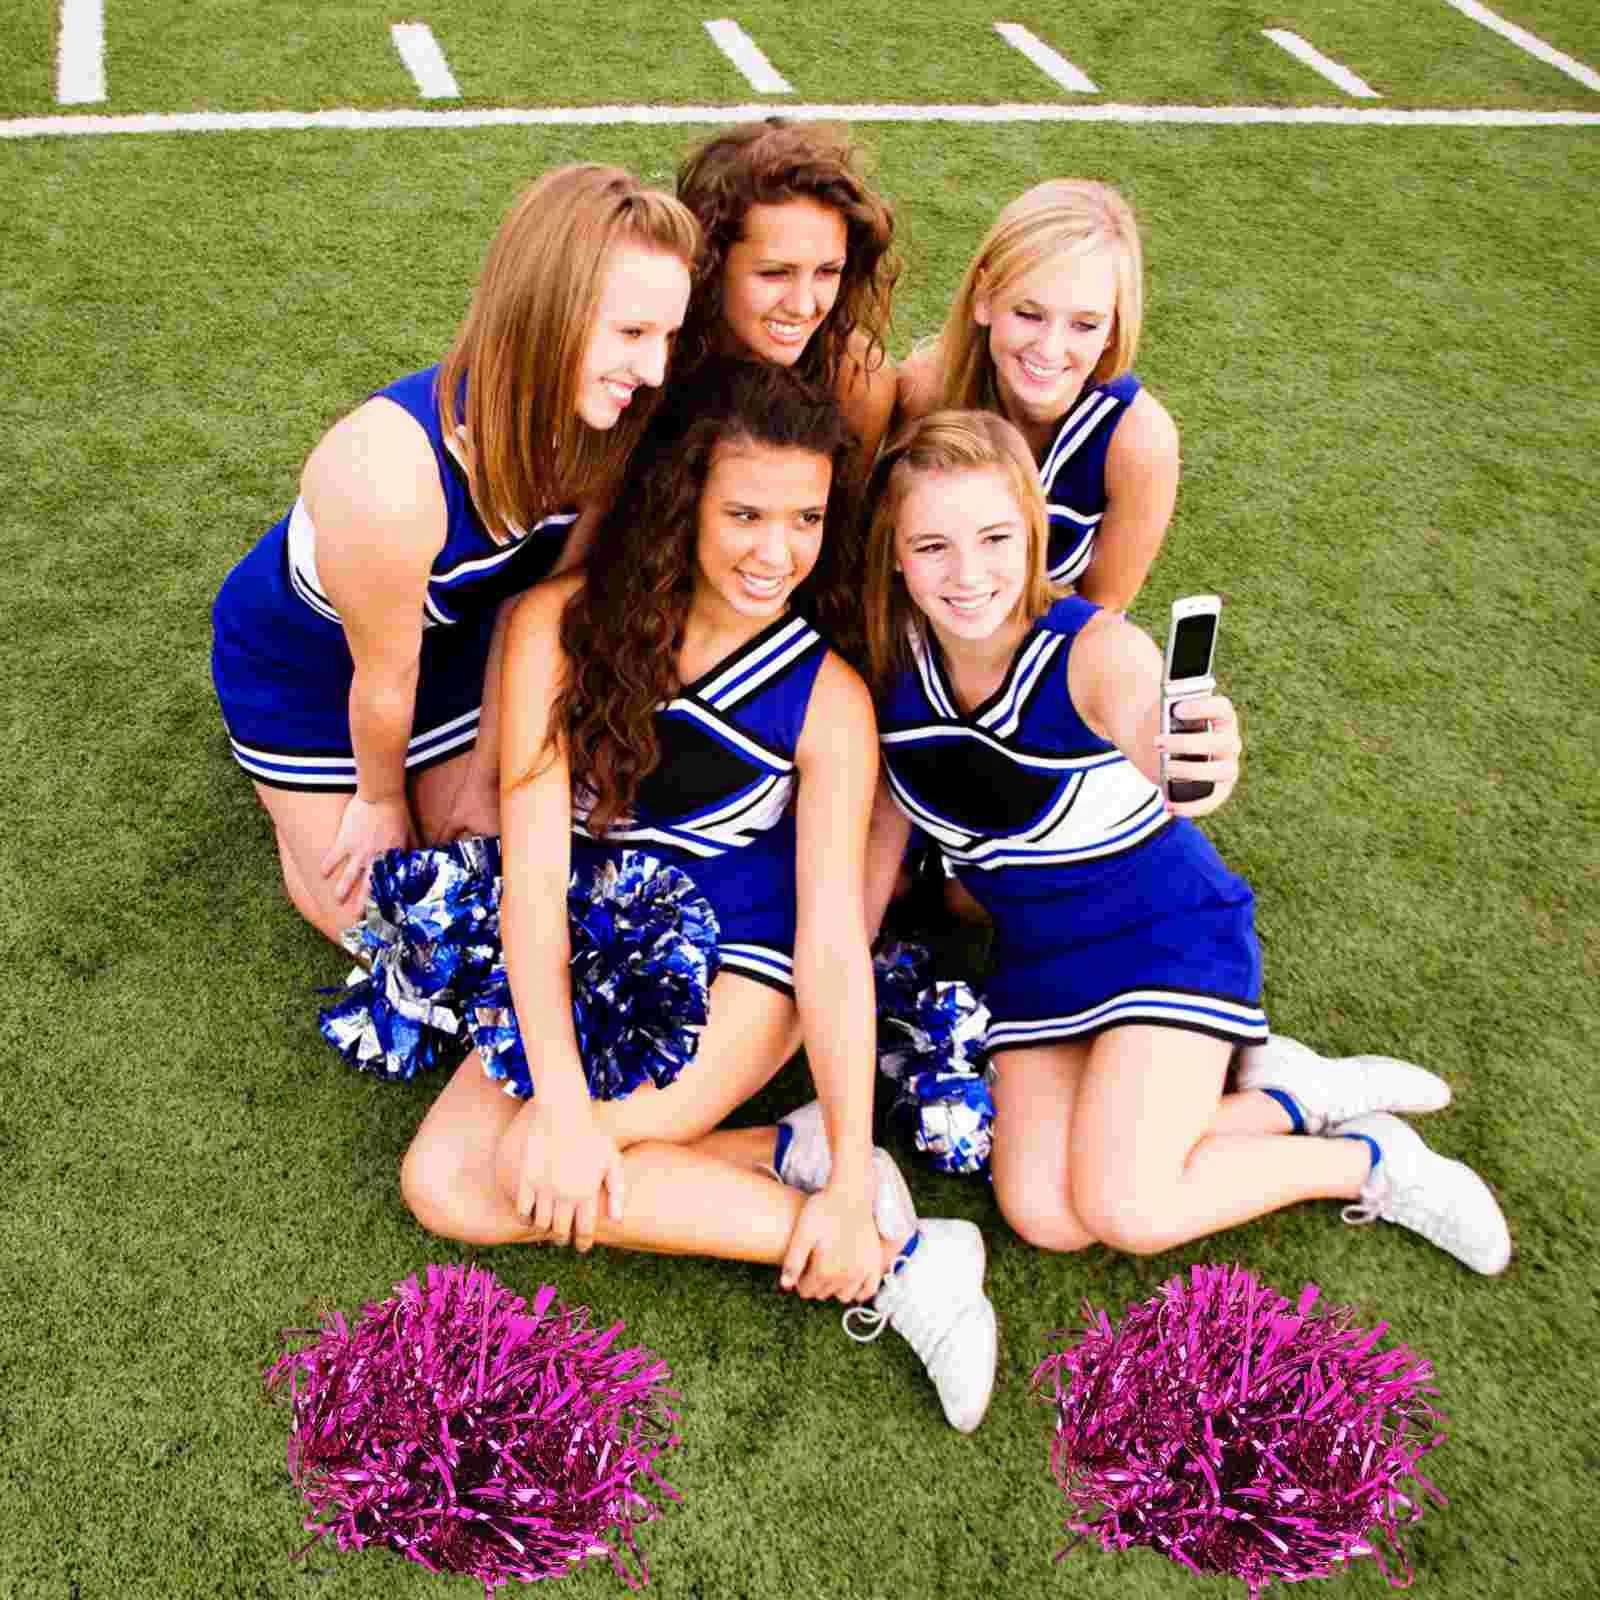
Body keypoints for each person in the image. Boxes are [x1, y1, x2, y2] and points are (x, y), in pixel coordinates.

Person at [393, 364, 998, 1433]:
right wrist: (569, 1105)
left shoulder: (829, 699)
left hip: (744, 968)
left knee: (494, 1176)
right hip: (590, 943)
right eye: (744, 514)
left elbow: (827, 946)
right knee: (450, 1180)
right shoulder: (555, 625)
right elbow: (532, 878)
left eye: (805, 518)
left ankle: (879, 1241)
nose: (776, 551)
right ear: (685, 504)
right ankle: (821, 1191)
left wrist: (858, 1169)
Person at [851, 410, 1511, 1275]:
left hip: (1168, 936)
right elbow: (873, 851)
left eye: (995, 538)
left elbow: (1145, 710)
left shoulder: (1092, 650)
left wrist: (1188, 749)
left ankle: (1373, 1163)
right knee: (1047, 1211)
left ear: (1034, 535)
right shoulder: (886, 668)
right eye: (933, 546)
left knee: (1127, 1203)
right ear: (895, 553)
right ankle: (1294, 1095)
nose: (969, 573)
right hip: (1040, 962)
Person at [211, 165, 700, 946]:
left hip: (450, 646)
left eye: (667, 336)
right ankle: (293, 807)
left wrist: (481, 771)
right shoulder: (386, 476)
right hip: (307, 671)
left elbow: (535, 596)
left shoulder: (610, 427)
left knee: (508, 870)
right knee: (398, 935)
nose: (654, 372)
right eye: (632, 334)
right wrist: (380, 802)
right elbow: (381, 679)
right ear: (541, 314)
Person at [896, 179, 1176, 611]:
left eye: (1084, 325)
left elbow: (1098, 616)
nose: (1049, 349)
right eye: (1029, 314)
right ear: (984, 298)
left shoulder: (1138, 442)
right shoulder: (924, 390)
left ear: (1113, 330)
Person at [675, 118, 901, 465]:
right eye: (775, 273)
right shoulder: (649, 352)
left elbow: (842, 517)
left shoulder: (857, 379)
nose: (803, 306)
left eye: (828, 271)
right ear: (710, 264)